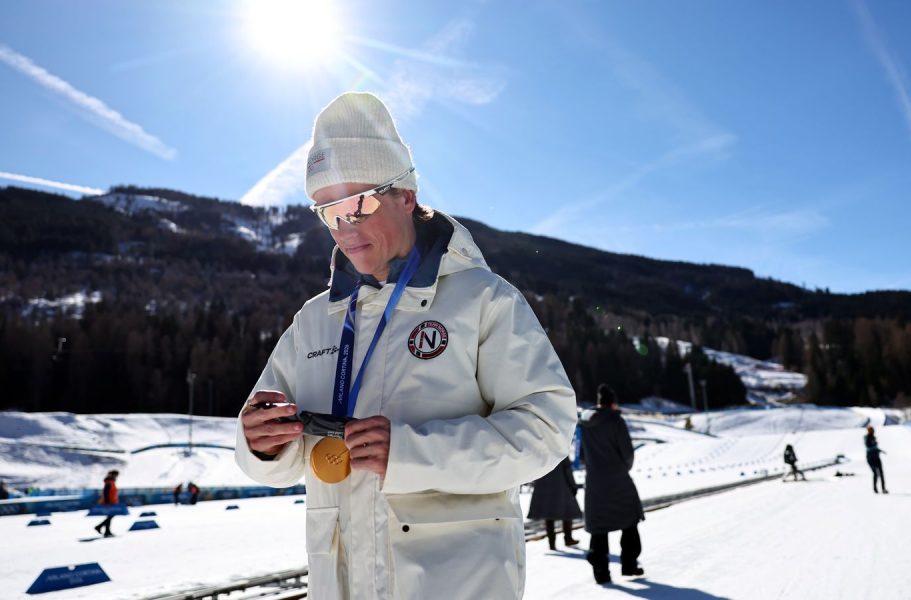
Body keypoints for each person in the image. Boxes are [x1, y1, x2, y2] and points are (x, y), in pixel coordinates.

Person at [234, 92, 577, 600]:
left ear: (405, 196)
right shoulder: (314, 321)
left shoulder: (482, 299)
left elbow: (547, 430)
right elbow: (270, 453)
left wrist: (414, 453)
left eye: (356, 204)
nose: (343, 229)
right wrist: (260, 445)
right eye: (327, 211)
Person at [579, 384, 644, 584]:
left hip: (595, 483)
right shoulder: (616, 421)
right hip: (618, 480)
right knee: (629, 521)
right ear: (613, 402)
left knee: (599, 527)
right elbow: (627, 453)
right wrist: (622, 468)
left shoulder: (585, 423)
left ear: (599, 402)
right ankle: (629, 565)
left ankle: (601, 572)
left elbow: (582, 455)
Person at [527, 456, 582, 551]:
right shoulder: (561, 449)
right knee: (567, 512)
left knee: (549, 515)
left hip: (543, 487)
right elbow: (567, 469)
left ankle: (551, 543)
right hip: (561, 485)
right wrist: (573, 485)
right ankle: (568, 538)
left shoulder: (540, 450)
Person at [94, 470, 119, 537]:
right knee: (110, 516)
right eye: (116, 475)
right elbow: (106, 493)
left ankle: (106, 531)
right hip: (109, 502)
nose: (117, 477)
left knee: (110, 516)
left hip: (111, 502)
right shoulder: (109, 482)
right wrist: (108, 502)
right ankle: (100, 527)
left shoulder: (111, 482)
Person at [864, 426, 888, 494]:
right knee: (875, 473)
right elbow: (868, 447)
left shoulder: (873, 437)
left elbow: (874, 447)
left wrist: (880, 450)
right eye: (871, 430)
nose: (873, 431)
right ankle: (875, 489)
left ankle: (883, 489)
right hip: (870, 458)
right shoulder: (867, 438)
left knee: (881, 473)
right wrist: (876, 448)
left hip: (876, 457)